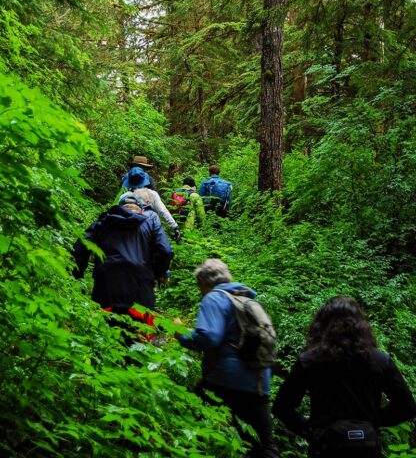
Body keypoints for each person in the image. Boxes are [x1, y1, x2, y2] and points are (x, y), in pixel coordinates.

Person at [273, 295, 416, 458]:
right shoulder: (380, 360)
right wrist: (373, 422)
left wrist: (310, 429)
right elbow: (407, 407)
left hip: (325, 448)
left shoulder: (309, 361)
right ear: (361, 326)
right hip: (366, 447)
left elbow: (282, 407)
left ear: (321, 325)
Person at [175, 259, 279, 458]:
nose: (200, 291)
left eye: (199, 286)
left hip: (225, 378)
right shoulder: (248, 300)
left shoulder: (214, 297)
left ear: (204, 282)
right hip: (258, 380)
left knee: (185, 411)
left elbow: (209, 338)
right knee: (264, 445)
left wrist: (181, 333)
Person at [72, 193, 174, 317]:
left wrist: (78, 279)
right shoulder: (151, 220)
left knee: (107, 333)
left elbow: (80, 248)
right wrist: (157, 274)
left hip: (106, 289)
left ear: (119, 208)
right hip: (141, 290)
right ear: (141, 210)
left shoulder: (104, 222)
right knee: (140, 334)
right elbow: (165, 251)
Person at [120, 167, 181, 242]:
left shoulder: (124, 196)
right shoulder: (152, 194)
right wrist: (175, 227)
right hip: (147, 229)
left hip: (127, 231)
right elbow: (162, 211)